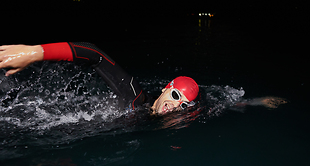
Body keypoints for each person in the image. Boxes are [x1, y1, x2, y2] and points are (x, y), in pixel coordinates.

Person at [0, 42, 199, 115]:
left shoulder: (166, 123)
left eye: (182, 105)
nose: (174, 105)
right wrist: (35, 52)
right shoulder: (135, 97)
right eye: (175, 95)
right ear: (166, 87)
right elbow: (96, 55)